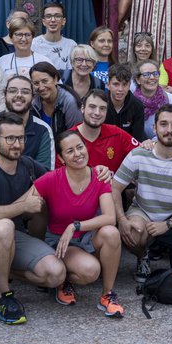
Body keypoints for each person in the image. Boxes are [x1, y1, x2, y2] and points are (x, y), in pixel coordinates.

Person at [0, 114, 57, 325]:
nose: (17, 144)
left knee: (55, 275)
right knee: (4, 226)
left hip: (13, 238)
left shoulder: (29, 166)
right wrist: (24, 206)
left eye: (21, 138)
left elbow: (59, 179)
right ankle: (2, 296)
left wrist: (96, 172)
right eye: (10, 139)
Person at [30, 130, 124, 316]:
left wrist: (75, 226)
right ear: (61, 157)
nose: (78, 154)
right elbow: (24, 203)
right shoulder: (51, 179)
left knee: (111, 232)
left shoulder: (99, 175)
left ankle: (108, 294)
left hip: (86, 237)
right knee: (90, 271)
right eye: (70, 151)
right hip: (60, 242)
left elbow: (109, 217)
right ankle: (61, 280)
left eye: (80, 147)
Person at [111, 105, 172, 278]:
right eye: (164, 124)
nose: (169, 130)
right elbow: (114, 187)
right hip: (145, 212)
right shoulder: (139, 155)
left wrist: (168, 224)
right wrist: (121, 219)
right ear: (154, 128)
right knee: (131, 230)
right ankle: (143, 258)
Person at [70, 90, 140, 174]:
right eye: (92, 107)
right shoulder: (69, 139)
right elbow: (59, 175)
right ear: (82, 108)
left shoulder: (117, 134)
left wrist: (149, 144)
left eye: (102, 108)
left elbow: (141, 154)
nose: (97, 113)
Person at [30, 62, 82, 131]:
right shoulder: (34, 101)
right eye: (36, 83)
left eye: (45, 81)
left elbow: (75, 134)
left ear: (55, 79)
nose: (41, 87)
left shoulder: (69, 102)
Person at [134, 59, 172, 137]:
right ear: (138, 80)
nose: (152, 77)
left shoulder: (171, 100)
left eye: (155, 73)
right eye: (146, 74)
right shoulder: (132, 102)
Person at [105, 64, 146, 141]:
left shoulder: (137, 106)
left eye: (124, 84)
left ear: (129, 85)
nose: (120, 89)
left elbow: (137, 139)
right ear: (108, 85)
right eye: (116, 84)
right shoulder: (101, 104)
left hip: (127, 150)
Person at [31, 2, 77, 70]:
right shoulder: (33, 44)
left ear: (63, 21)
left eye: (57, 16)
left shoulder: (71, 45)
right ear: (43, 21)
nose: (53, 20)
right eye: (48, 16)